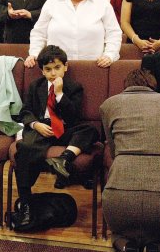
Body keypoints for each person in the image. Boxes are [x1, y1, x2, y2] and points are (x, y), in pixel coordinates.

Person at [14, 45, 100, 227]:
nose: (53, 73)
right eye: (48, 69)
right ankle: (26, 201)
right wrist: (35, 124)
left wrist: (59, 94)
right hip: (42, 128)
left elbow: (73, 116)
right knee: (24, 147)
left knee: (91, 131)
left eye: (57, 68)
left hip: (64, 128)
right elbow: (25, 111)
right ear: (42, 71)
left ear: (66, 67)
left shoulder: (74, 87)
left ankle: (64, 159)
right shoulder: (35, 86)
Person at [101, 69, 160, 252]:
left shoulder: (109, 105)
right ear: (153, 85)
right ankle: (158, 247)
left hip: (118, 198)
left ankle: (125, 245)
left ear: (126, 86)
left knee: (119, 234)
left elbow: (114, 150)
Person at [25, 0, 121, 68]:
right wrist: (34, 54)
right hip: (56, 69)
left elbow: (114, 33)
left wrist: (109, 55)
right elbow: (39, 33)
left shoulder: (102, 3)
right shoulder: (53, 2)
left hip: (94, 67)